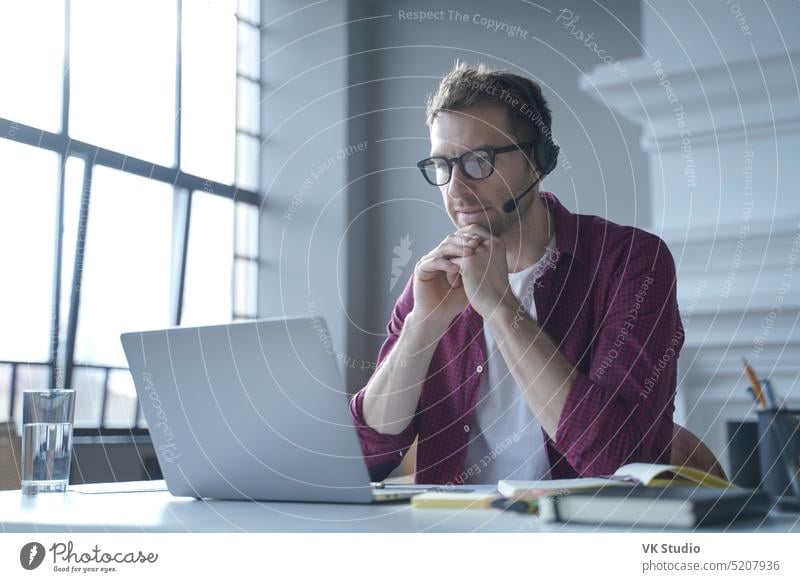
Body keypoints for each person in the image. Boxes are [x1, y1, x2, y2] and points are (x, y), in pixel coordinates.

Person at [349, 61, 684, 485]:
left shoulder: (632, 263)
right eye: (443, 166)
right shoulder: (432, 284)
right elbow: (364, 458)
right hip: (452, 536)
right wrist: (422, 326)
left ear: (537, 162)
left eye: (478, 162)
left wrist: (502, 309)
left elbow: (616, 460)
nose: (455, 190)